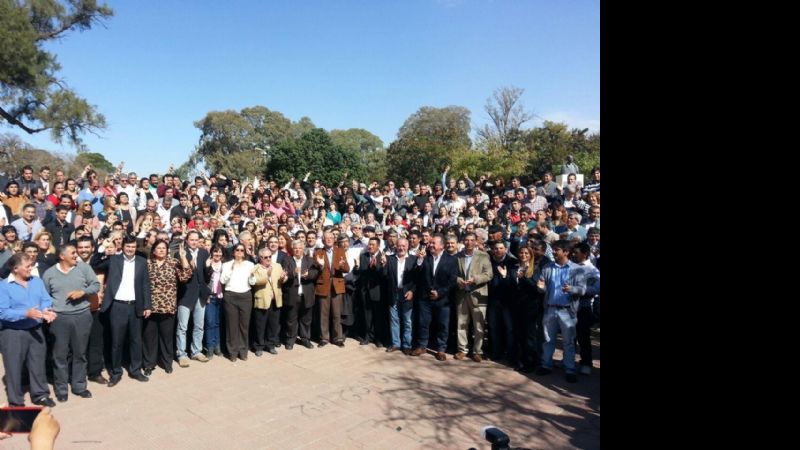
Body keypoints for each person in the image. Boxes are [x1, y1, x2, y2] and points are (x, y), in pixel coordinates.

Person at [42, 244, 100, 402]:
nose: (76, 255)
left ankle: (79, 386)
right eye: (73, 253)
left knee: (80, 353)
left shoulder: (84, 268)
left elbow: (96, 285)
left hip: (82, 316)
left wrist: (83, 292)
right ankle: (61, 389)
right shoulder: (49, 274)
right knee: (59, 355)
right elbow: (44, 296)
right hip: (59, 319)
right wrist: (48, 311)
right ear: (62, 256)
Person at [0, 253, 58, 407]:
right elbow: (2, 312)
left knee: (37, 364)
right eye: (27, 266)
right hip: (13, 333)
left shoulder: (37, 282)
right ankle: (16, 400)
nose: (31, 269)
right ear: (15, 268)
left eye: (31, 265)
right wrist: (25, 313)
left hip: (36, 329)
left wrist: (47, 311)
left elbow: (46, 299)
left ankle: (40, 394)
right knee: (13, 367)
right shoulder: (3, 286)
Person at [100, 235, 152, 387]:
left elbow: (145, 284)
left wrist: (147, 305)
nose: (130, 249)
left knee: (136, 340)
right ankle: (116, 373)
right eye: (128, 247)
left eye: (133, 247)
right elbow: (96, 262)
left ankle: (135, 370)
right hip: (118, 306)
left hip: (135, 305)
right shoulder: (114, 260)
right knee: (117, 341)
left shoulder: (142, 262)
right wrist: (103, 247)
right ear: (122, 247)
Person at [535, 240, 587, 383]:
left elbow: (583, 290)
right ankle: (546, 365)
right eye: (554, 249)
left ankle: (569, 368)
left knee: (568, 342)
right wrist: (541, 288)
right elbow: (543, 288)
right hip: (550, 308)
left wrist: (571, 289)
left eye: (557, 249)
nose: (553, 252)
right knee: (548, 340)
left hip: (567, 311)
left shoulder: (577, 269)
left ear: (566, 252)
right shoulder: (547, 267)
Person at [143, 240, 192, 375]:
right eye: (158, 248)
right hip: (150, 307)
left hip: (168, 307)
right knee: (149, 338)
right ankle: (149, 364)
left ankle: (167, 363)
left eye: (164, 248)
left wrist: (182, 257)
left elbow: (185, 276)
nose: (161, 250)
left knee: (166, 337)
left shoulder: (173, 263)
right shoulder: (147, 264)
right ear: (153, 251)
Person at [411, 234, 458, 361]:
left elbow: (452, 280)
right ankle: (422, 346)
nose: (430, 245)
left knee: (442, 325)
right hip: (425, 298)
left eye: (433, 243)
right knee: (423, 323)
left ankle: (441, 349)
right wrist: (419, 261)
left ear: (442, 246)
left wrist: (440, 292)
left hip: (443, 299)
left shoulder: (452, 259)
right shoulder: (424, 257)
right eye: (430, 243)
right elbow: (416, 275)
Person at [453, 232, 493, 362]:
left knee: (479, 325)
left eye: (471, 240)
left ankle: (477, 351)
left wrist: (475, 279)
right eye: (466, 240)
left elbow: (489, 274)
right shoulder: (457, 256)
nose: (469, 242)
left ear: (476, 242)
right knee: (461, 324)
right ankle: (462, 349)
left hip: (478, 294)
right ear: (463, 241)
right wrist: (459, 280)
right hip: (461, 294)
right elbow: (452, 274)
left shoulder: (483, 256)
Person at [174, 230, 211, 367]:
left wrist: (208, 267)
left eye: (196, 239)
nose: (194, 242)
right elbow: (181, 276)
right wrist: (185, 260)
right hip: (186, 294)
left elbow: (206, 276)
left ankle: (196, 351)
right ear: (187, 240)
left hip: (200, 295)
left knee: (199, 326)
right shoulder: (180, 253)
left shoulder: (204, 253)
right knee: (182, 326)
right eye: (192, 239)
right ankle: (181, 354)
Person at [313, 231, 350, 347]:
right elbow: (315, 271)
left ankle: (338, 338)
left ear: (334, 239)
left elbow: (347, 269)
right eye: (326, 238)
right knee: (323, 314)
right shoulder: (318, 252)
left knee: (336, 313)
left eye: (331, 238)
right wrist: (320, 265)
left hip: (336, 286)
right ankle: (324, 338)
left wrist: (342, 265)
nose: (329, 240)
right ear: (323, 240)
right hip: (323, 286)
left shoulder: (340, 251)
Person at [249, 247, 288, 356]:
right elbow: (255, 282)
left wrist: (284, 278)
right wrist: (268, 275)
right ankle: (259, 346)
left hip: (275, 300)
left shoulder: (277, 266)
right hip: (262, 301)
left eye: (270, 256)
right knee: (260, 325)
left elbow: (282, 280)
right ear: (260, 258)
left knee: (273, 324)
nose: (268, 259)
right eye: (266, 257)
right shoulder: (256, 268)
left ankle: (270, 345)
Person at [220, 243, 255, 361]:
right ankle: (232, 352)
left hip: (245, 296)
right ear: (234, 252)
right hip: (231, 296)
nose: (240, 252)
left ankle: (243, 350)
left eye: (242, 250)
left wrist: (252, 276)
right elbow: (223, 280)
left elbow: (253, 282)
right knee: (232, 326)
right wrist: (231, 269)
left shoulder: (250, 264)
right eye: (237, 250)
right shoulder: (226, 265)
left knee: (244, 325)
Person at [382, 237, 417, 354]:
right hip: (394, 293)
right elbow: (385, 276)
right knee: (394, 319)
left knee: (408, 320)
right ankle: (396, 343)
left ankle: (407, 345)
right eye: (399, 245)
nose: (401, 248)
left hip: (407, 293)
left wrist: (412, 291)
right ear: (396, 246)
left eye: (403, 246)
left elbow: (418, 279)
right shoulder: (390, 259)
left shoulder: (414, 259)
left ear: (407, 247)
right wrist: (383, 265)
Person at [283, 240, 319, 349]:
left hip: (306, 294)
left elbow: (316, 273)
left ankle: (305, 339)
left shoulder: (310, 260)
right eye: (295, 248)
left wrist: (308, 275)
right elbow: (284, 275)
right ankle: (291, 339)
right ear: (292, 250)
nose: (297, 250)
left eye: (299, 248)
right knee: (291, 319)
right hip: (292, 294)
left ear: (303, 249)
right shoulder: (287, 260)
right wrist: (293, 273)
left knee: (306, 319)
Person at [353, 237, 387, 347]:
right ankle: (368, 336)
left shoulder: (383, 257)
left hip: (377, 292)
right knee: (367, 316)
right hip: (365, 291)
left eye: (373, 244)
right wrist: (357, 266)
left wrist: (381, 265)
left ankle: (378, 338)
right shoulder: (363, 256)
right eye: (369, 244)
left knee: (378, 316)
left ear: (378, 246)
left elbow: (384, 275)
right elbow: (358, 272)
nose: (370, 246)